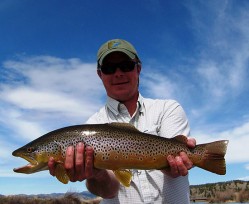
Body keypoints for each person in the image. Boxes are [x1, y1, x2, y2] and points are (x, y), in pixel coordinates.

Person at [48, 39, 196, 203]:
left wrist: (176, 164)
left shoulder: (168, 109)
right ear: (100, 74)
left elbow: (177, 164)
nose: (118, 73)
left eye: (126, 66)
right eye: (109, 68)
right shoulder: (92, 126)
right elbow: (109, 191)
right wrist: (97, 173)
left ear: (138, 69)